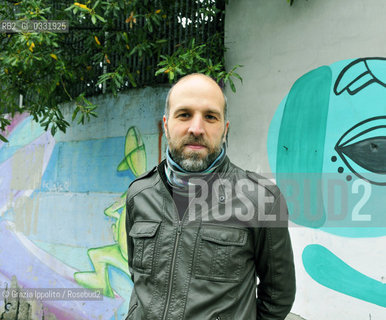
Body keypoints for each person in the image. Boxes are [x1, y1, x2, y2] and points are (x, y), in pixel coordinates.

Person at [125, 73, 296, 320]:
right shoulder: (139, 194)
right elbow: (139, 278)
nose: (196, 128)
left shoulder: (261, 200)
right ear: (165, 124)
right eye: (184, 114)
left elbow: (278, 296)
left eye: (210, 117)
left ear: (225, 129)